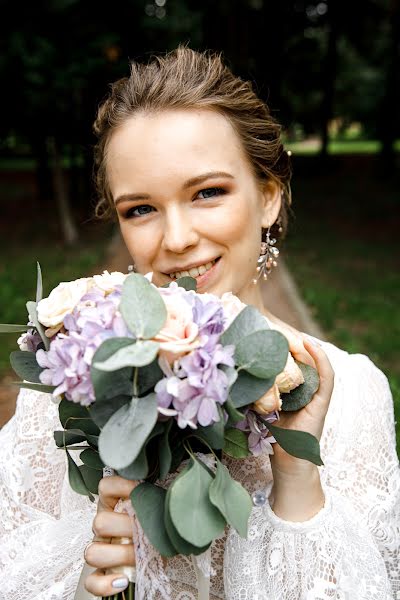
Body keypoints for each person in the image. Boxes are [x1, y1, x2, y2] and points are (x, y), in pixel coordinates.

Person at [0, 46, 398, 600]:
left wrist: (297, 478)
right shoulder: (64, 390)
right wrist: (84, 587)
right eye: (140, 208)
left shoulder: (356, 394)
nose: (178, 237)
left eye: (208, 192)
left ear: (268, 199)